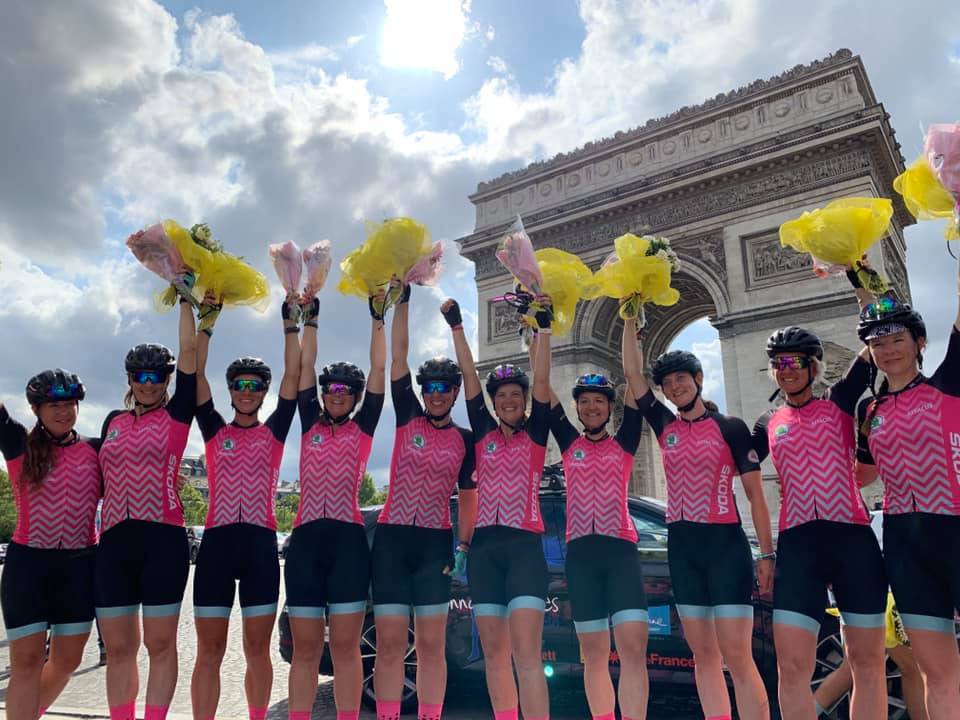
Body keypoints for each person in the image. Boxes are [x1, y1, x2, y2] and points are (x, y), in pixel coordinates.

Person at [752, 286, 887, 720]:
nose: (786, 370)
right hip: (798, 548)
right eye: (778, 365)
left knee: (867, 664)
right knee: (791, 667)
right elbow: (720, 457)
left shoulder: (841, 402)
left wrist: (860, 279)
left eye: (794, 363)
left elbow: (873, 339)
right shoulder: (767, 423)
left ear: (813, 367)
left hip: (852, 541)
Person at [633, 346, 774, 720]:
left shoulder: (730, 427)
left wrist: (768, 553)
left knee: (738, 657)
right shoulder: (665, 425)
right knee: (703, 657)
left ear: (698, 379)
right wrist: (631, 318)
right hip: (682, 550)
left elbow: (756, 497)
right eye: (667, 382)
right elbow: (633, 377)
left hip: (725, 547)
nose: (674, 386)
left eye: (681, 378)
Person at [189, 294, 301, 720]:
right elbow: (194, 373)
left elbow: (294, 374)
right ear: (231, 390)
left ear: (263, 392)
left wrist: (290, 324)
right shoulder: (215, 428)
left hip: (259, 547)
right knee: (210, 651)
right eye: (240, 384)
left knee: (256, 649)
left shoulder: (274, 431)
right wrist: (208, 321)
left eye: (256, 385)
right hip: (216, 545)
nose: (248, 391)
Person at [854, 281, 960, 720]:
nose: (888, 349)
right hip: (903, 543)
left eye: (897, 339)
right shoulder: (869, 411)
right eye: (878, 343)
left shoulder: (949, 383)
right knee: (937, 673)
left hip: (954, 527)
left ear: (919, 343)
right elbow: (862, 475)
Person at [536, 311, 649, 720]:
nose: (592, 408)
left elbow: (635, 377)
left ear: (609, 408)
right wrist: (541, 332)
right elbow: (542, 387)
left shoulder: (626, 441)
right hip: (581, 555)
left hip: (621, 553)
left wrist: (631, 323)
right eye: (584, 402)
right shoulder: (567, 443)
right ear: (579, 410)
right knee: (594, 656)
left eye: (599, 402)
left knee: (634, 652)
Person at [372, 286, 478, 720]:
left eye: (444, 388)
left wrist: (464, 547)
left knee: (432, 645)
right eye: (430, 387)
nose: (436, 393)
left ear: (454, 393)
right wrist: (403, 302)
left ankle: (431, 715)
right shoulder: (407, 415)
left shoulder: (465, 441)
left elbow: (468, 501)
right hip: (392, 541)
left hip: (436, 544)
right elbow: (397, 359)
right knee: (392, 644)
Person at [442, 297, 550, 720]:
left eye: (515, 395)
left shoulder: (537, 432)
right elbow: (469, 376)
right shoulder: (483, 431)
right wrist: (457, 327)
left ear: (524, 400)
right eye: (501, 395)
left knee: (526, 657)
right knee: (494, 657)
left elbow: (542, 379)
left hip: (525, 549)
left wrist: (543, 330)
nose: (508, 400)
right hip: (485, 553)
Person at [285, 293, 386, 720]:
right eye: (331, 389)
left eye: (345, 389)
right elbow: (301, 368)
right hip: (305, 542)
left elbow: (380, 368)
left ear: (357, 395)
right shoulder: (309, 420)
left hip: (347, 543)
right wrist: (309, 320)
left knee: (346, 649)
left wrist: (378, 316)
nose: (336, 394)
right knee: (306, 650)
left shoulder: (364, 425)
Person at [96, 298, 198, 720]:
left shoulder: (177, 415)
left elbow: (191, 356)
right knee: (118, 648)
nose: (149, 383)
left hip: (163, 539)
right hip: (114, 542)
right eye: (141, 375)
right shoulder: (112, 422)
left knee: (159, 645)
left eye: (158, 375)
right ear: (130, 378)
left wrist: (187, 302)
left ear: (168, 378)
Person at [0, 370, 101, 720]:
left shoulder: (95, 449)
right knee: (26, 662)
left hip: (79, 566)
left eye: (70, 404)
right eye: (54, 405)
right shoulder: (16, 441)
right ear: (36, 409)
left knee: (67, 661)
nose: (64, 412)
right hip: (28, 565)